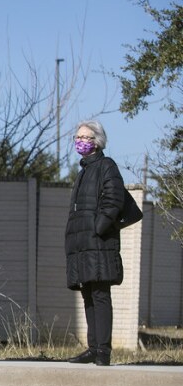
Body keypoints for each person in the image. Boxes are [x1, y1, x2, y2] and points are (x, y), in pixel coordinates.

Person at [65, 120, 125, 366]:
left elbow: (114, 198)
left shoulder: (105, 166)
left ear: (97, 141)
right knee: (88, 294)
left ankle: (103, 350)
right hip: (83, 243)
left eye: (86, 137)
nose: (80, 141)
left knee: (100, 294)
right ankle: (93, 347)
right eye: (78, 137)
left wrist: (99, 227)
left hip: (98, 242)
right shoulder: (84, 171)